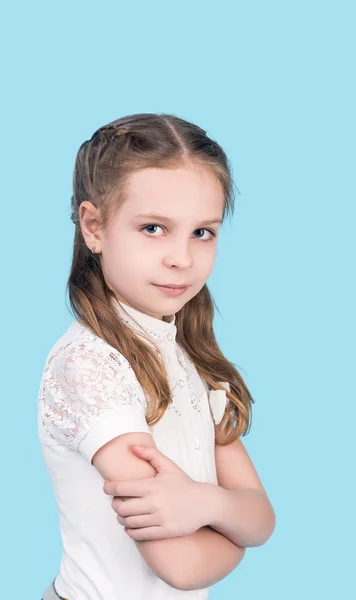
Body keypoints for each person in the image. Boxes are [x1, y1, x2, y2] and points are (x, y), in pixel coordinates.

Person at [38, 113, 276, 600]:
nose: (182, 258)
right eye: (153, 228)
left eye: (202, 232)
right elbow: (183, 565)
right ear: (94, 227)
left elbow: (264, 518)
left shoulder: (191, 353)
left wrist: (204, 504)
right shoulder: (90, 366)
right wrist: (231, 527)